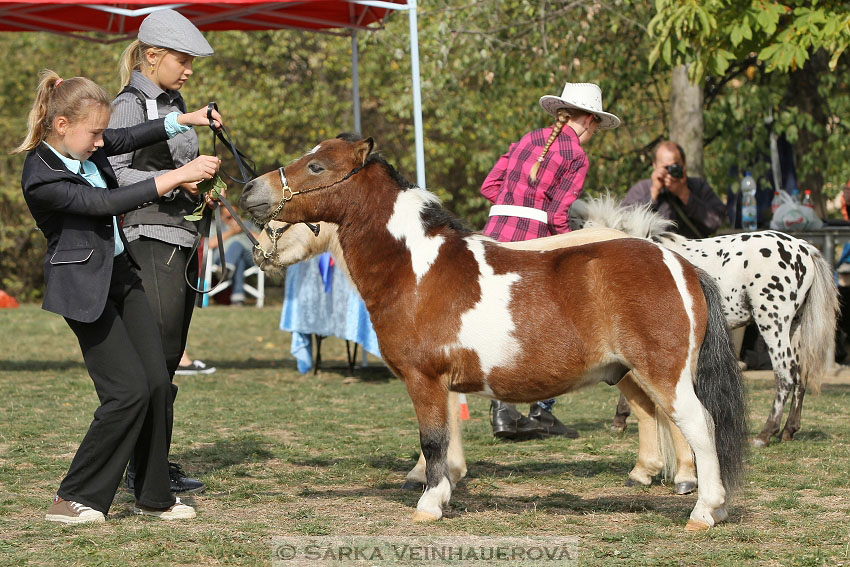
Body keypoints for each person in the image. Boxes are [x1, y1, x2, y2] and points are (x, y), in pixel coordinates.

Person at [15, 70, 221, 523]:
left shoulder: (90, 144)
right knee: (126, 392)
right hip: (84, 291)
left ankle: (154, 496)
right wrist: (177, 175)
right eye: (94, 133)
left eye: (102, 133)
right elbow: (104, 205)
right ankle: (72, 498)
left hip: (122, 278)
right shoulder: (41, 174)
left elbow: (129, 135)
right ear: (62, 125)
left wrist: (185, 119)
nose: (100, 142)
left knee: (157, 385)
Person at [108, 9, 216, 494]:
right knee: (157, 354)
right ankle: (142, 469)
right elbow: (112, 175)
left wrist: (195, 188)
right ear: (152, 56)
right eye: (183, 59)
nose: (189, 68)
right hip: (147, 238)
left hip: (179, 237)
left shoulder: (174, 102)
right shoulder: (130, 105)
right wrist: (176, 180)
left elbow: (172, 171)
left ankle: (153, 461)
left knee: (168, 356)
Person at [480, 81, 620, 441]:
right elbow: (559, 215)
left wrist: (514, 205)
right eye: (595, 127)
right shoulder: (576, 156)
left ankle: (503, 411)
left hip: (493, 234)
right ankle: (538, 410)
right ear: (588, 120)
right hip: (533, 241)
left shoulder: (528, 138)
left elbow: (489, 186)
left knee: (499, 322)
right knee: (546, 324)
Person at [621, 141, 725, 239]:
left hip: (691, 253)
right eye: (665, 167)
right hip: (655, 254)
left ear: (684, 165)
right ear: (655, 165)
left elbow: (716, 222)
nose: (670, 172)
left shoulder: (698, 186)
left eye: (675, 167)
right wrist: (653, 193)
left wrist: (685, 195)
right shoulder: (642, 189)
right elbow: (625, 224)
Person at [207, 206, 259, 307]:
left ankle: (226, 270)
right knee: (239, 261)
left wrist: (244, 228)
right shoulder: (215, 225)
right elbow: (210, 244)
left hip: (250, 259)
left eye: (234, 216)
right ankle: (238, 298)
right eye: (228, 217)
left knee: (237, 245)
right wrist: (232, 232)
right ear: (221, 217)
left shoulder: (247, 224)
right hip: (221, 260)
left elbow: (262, 241)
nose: (232, 219)